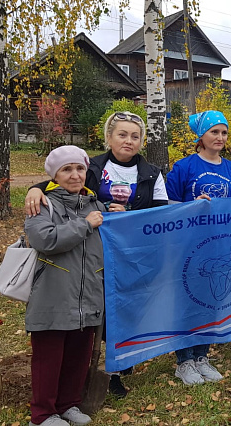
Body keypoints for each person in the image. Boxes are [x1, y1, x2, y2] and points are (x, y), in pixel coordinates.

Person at [24, 111, 168, 397]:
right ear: (109, 138)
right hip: (91, 252)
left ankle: (119, 365)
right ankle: (98, 370)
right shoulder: (93, 167)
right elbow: (65, 180)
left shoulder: (152, 172)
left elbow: (160, 214)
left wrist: (129, 213)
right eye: (122, 134)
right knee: (100, 311)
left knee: (126, 309)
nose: (128, 141)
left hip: (133, 252)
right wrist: (34, 189)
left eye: (135, 136)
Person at [25, 145, 105, 426]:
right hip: (53, 295)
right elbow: (44, 240)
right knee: (49, 358)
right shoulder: (42, 204)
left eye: (80, 168)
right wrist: (85, 225)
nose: (75, 175)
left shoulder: (96, 206)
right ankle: (42, 414)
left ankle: (68, 404)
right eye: (66, 169)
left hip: (88, 294)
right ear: (54, 175)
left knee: (78, 355)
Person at [165, 110, 231, 385]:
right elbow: (167, 206)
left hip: (219, 245)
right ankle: (183, 361)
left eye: (224, 132)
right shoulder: (184, 167)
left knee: (210, 301)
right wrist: (192, 206)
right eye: (214, 132)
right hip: (188, 246)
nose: (220, 137)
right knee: (187, 301)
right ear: (201, 136)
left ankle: (201, 356)